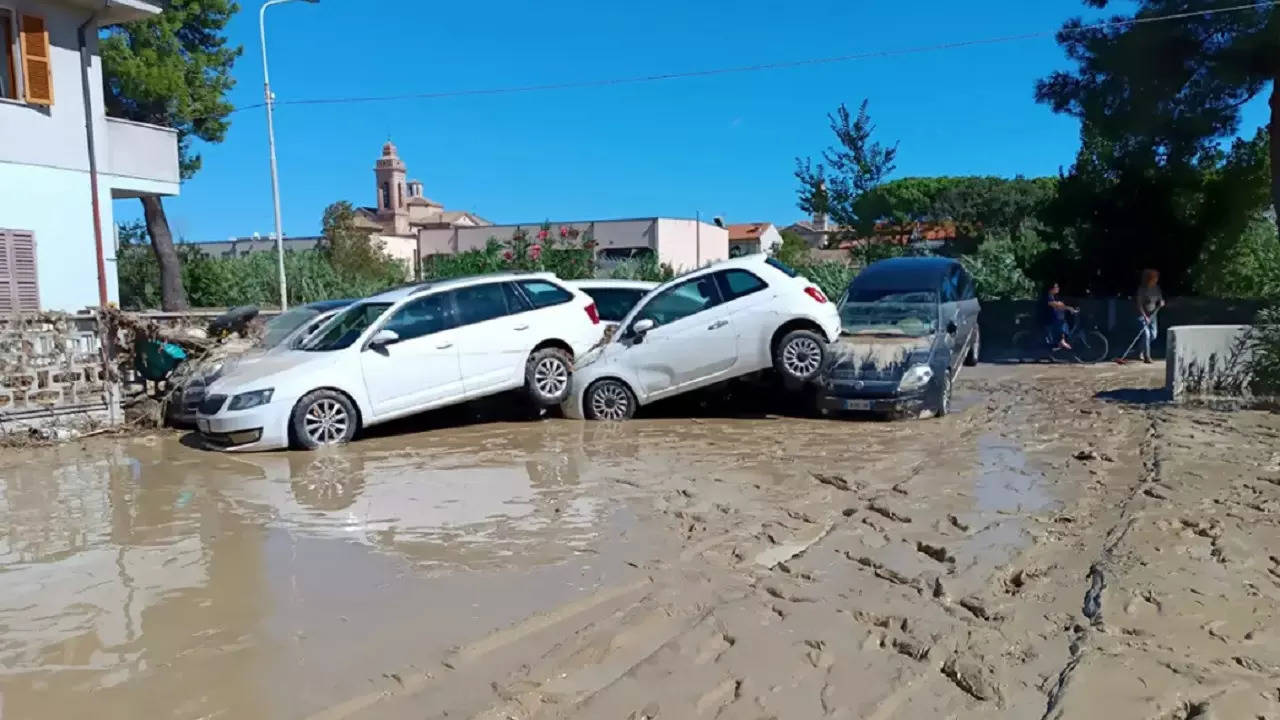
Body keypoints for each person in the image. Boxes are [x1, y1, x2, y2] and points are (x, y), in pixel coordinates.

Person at [1136, 269, 1165, 364]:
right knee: (1147, 335)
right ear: (1149, 279)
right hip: (1142, 314)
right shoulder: (1142, 290)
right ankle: (1147, 357)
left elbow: (1160, 300)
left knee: (1153, 335)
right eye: (1154, 278)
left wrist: (1161, 303)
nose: (1156, 280)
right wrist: (1145, 316)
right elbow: (1139, 304)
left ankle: (1140, 350)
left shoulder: (1156, 288)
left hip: (1153, 314)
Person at [1040, 281, 1077, 350]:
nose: (1058, 288)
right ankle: (1061, 341)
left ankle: (1061, 342)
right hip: (1047, 319)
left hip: (1052, 318)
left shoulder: (1053, 297)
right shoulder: (1047, 297)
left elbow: (1060, 305)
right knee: (1061, 323)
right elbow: (1055, 305)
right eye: (1056, 287)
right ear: (1050, 289)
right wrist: (1068, 308)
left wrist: (1070, 308)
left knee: (1063, 321)